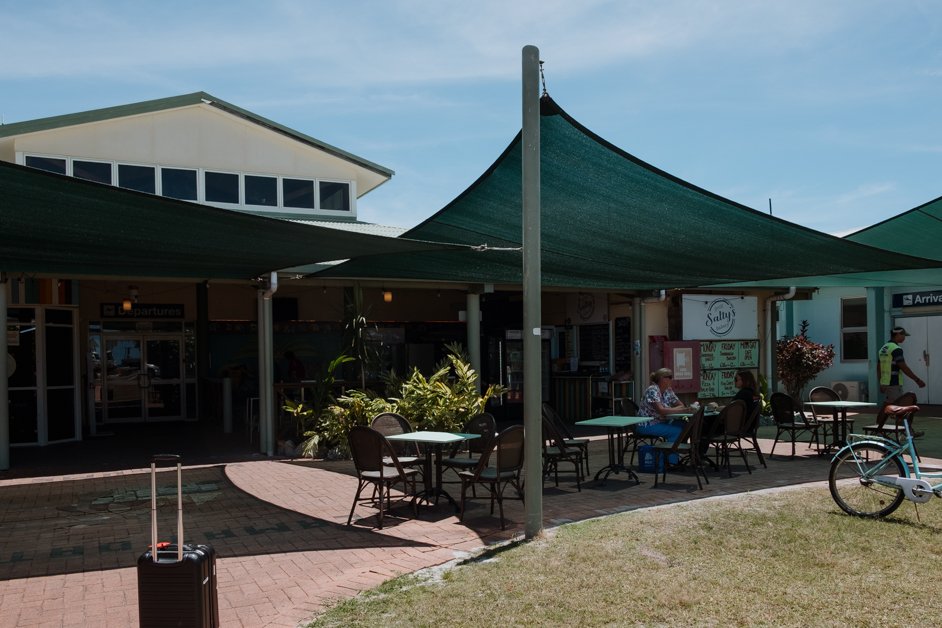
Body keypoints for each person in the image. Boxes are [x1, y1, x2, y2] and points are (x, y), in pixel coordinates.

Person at [635, 367, 691, 443]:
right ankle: (669, 453)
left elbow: (681, 405)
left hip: (661, 421)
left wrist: (671, 410)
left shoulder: (668, 390)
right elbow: (661, 410)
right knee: (676, 431)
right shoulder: (652, 390)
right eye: (670, 377)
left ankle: (679, 448)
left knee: (685, 425)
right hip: (647, 424)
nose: (672, 379)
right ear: (662, 378)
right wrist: (681, 410)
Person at [877, 327, 924, 403]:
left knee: (890, 406)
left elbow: (878, 367)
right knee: (897, 408)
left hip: (885, 384)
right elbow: (903, 367)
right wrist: (917, 380)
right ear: (898, 334)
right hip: (894, 383)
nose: (904, 338)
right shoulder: (896, 349)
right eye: (904, 335)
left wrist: (881, 382)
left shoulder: (883, 348)